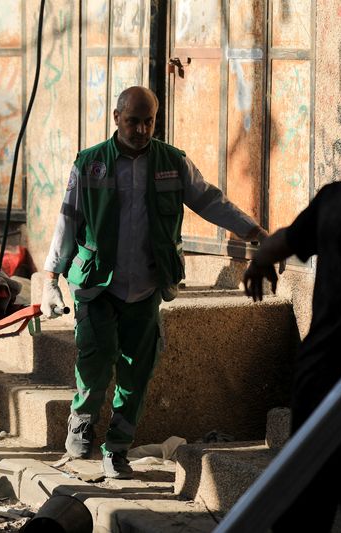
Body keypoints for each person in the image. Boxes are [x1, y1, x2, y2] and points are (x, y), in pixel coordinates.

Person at [40, 86, 268, 479]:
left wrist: (252, 230)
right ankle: (83, 417)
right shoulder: (89, 163)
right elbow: (68, 220)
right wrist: (50, 279)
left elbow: (209, 200)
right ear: (116, 118)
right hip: (98, 284)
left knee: (137, 373)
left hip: (146, 285)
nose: (142, 129)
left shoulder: (172, 162)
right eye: (133, 120)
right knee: (95, 364)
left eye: (149, 121)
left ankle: (117, 448)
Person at [242, 183, 341, 532]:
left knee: (306, 502)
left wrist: (259, 259)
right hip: (326, 380)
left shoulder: (336, 202)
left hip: (323, 378)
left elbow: (286, 240)